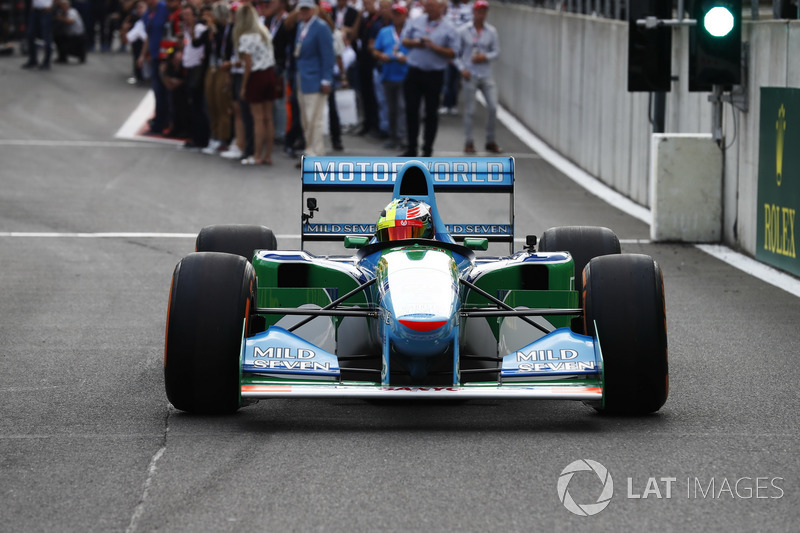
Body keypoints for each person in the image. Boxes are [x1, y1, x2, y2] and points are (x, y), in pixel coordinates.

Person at [399, 0, 458, 157]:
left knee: (431, 113)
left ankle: (427, 150)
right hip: (415, 71)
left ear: (441, 8)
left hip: (434, 74)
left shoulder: (449, 27)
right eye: (427, 5)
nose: (429, 9)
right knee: (411, 110)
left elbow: (453, 52)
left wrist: (436, 47)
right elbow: (404, 40)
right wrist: (416, 43)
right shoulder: (415, 21)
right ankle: (411, 148)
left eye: (433, 6)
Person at [236, 2, 278, 165]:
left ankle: (257, 155)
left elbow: (248, 64)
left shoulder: (245, 37)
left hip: (256, 76)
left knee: (258, 119)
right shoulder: (264, 32)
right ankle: (268, 155)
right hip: (269, 74)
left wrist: (244, 86)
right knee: (269, 117)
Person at [456, 0, 500, 153]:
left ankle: (490, 140)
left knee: (493, 107)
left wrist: (485, 56)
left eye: (484, 11)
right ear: (474, 12)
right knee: (470, 110)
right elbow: (456, 54)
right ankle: (468, 141)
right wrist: (462, 69)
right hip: (470, 73)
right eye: (479, 11)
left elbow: (496, 52)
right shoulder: (463, 31)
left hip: (485, 73)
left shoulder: (491, 31)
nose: (482, 14)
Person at [293, 0, 335, 164]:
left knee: (314, 119)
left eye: (307, 9)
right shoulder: (300, 26)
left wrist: (326, 79)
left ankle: (315, 154)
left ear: (314, 10)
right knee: (305, 119)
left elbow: (328, 55)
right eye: (302, 9)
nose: (304, 12)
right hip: (302, 77)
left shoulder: (321, 28)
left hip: (316, 78)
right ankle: (310, 150)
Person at [372, 3, 408, 150]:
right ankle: (393, 137)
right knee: (391, 108)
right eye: (395, 14)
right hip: (388, 74)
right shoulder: (384, 32)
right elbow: (375, 50)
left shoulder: (410, 32)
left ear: (405, 15)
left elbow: (417, 51)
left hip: (405, 75)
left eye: (399, 14)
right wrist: (381, 55)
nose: (397, 17)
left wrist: (407, 58)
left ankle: (403, 136)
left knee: (402, 107)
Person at [201, 1, 234, 155]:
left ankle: (223, 138)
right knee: (211, 103)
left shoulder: (228, 29)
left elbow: (226, 47)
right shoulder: (212, 30)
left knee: (222, 104)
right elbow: (204, 46)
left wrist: (214, 31)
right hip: (212, 67)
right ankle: (214, 136)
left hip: (223, 69)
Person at [138, 0, 171, 134]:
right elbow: (148, 36)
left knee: (165, 92)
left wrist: (167, 56)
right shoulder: (148, 13)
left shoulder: (164, 8)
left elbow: (169, 33)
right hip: (154, 56)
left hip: (165, 56)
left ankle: (165, 123)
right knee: (157, 91)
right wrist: (143, 55)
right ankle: (159, 122)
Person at [180, 4, 211, 150]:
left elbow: (200, 44)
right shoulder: (189, 29)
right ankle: (195, 136)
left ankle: (201, 138)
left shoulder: (200, 29)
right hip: (190, 69)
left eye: (188, 14)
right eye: (184, 14)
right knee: (192, 105)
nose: (186, 17)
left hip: (198, 70)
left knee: (197, 105)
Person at [23, 0, 55, 70]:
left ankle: (46, 62)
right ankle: (33, 59)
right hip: (35, 11)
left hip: (45, 11)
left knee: (46, 36)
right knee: (30, 35)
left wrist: (51, 7)